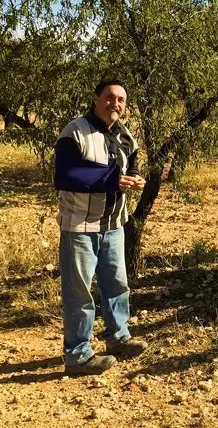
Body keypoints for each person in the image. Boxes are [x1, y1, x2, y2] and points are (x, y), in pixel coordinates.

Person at [54, 79, 148, 375]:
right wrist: (110, 179)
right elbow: (65, 174)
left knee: (117, 285)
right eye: (109, 97)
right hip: (80, 226)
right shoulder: (75, 131)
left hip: (114, 225)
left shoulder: (124, 135)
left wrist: (134, 178)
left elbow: (131, 162)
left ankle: (118, 338)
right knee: (79, 292)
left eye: (121, 99)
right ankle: (78, 355)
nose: (115, 103)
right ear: (95, 99)